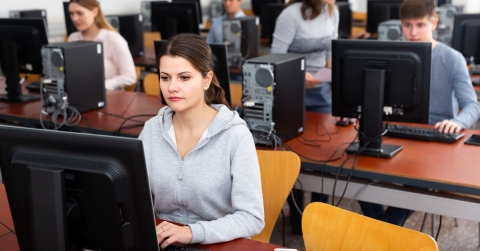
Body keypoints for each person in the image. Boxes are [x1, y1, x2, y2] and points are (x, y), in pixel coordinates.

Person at [359, 0, 480, 226]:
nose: (413, 32)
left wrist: (457, 122)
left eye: (420, 25)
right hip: (395, 130)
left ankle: (382, 229)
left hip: (435, 137)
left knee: (419, 179)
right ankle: (381, 226)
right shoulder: (391, 53)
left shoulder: (453, 58)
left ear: (433, 23)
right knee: (355, 169)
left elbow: (472, 106)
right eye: (407, 25)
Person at [138, 33, 265, 249]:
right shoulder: (151, 130)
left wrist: (191, 232)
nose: (172, 87)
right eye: (165, 77)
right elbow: (133, 195)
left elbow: (252, 218)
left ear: (206, 80)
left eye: (184, 78)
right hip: (166, 241)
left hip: (219, 243)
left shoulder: (235, 136)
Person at [270, 0, 339, 234]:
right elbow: (275, 59)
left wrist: (330, 75)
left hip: (321, 89)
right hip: (293, 89)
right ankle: (297, 215)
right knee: (294, 152)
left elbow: (331, 51)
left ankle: (320, 214)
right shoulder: (290, 15)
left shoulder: (333, 11)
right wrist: (300, 77)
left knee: (327, 150)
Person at [68, 0, 136, 90]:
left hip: (110, 97)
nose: (75, 18)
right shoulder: (73, 38)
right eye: (71, 14)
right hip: (81, 93)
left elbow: (130, 76)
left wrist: (103, 85)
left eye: (80, 13)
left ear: (95, 11)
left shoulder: (113, 39)